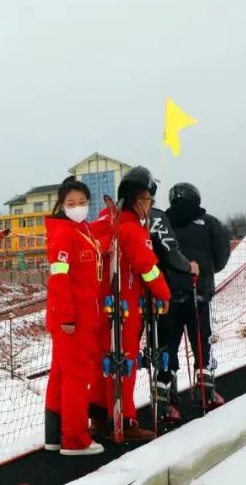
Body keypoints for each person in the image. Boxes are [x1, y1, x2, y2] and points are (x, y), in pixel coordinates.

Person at [94, 166, 171, 442]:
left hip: (101, 306)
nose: (150, 206)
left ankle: (101, 414)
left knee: (104, 363)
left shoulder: (105, 223)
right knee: (124, 363)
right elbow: (148, 269)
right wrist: (164, 294)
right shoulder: (132, 230)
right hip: (125, 307)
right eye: (149, 200)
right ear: (138, 201)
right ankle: (125, 420)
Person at [43, 176, 111, 456]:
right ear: (62, 204)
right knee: (76, 377)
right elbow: (59, 278)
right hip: (72, 319)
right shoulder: (64, 233)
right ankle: (74, 438)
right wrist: (68, 317)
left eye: (82, 202)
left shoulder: (82, 230)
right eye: (71, 203)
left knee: (61, 375)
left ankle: (55, 436)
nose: (78, 206)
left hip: (83, 316)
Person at [156, 182, 232, 417]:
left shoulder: (161, 223)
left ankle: (165, 396)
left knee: (166, 346)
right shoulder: (210, 223)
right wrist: (207, 271)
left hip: (167, 295)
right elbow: (221, 257)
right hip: (198, 292)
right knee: (201, 341)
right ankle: (205, 391)